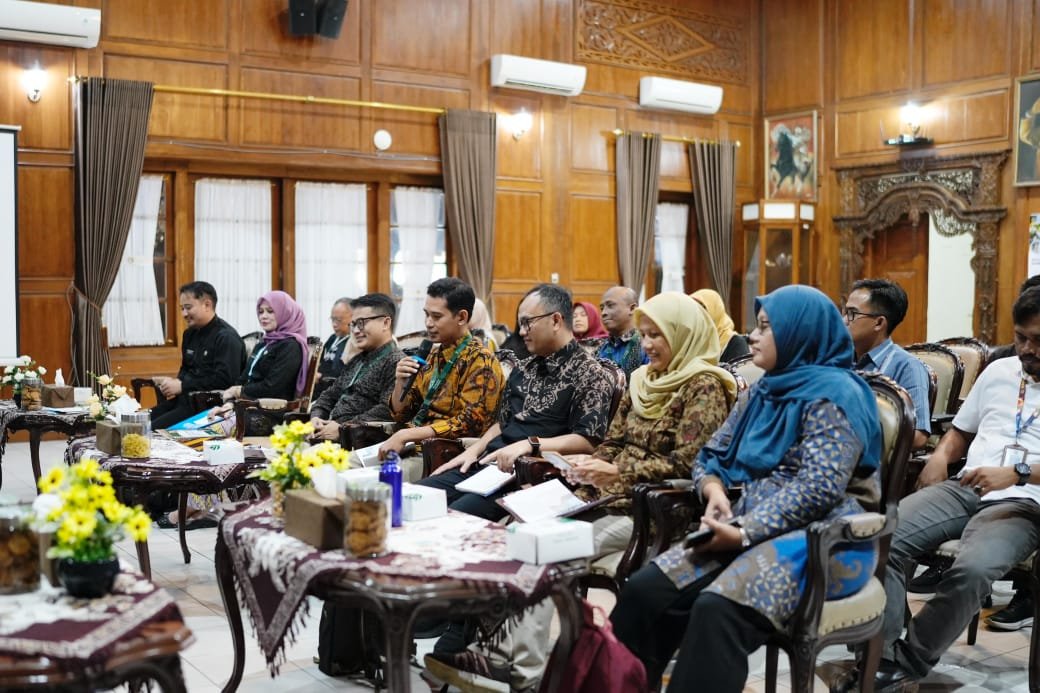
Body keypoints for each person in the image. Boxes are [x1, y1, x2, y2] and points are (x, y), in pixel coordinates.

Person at [423, 291, 737, 692]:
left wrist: (616, 471)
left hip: (647, 508)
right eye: (643, 335)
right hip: (601, 495)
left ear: (683, 333)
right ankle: (495, 651)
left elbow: (689, 464)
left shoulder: (704, 385)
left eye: (657, 335)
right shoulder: (644, 380)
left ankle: (522, 672)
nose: (646, 345)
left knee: (543, 548)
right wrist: (587, 468)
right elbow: (612, 442)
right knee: (514, 537)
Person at [610, 284, 882, 692]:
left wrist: (743, 532)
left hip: (825, 540)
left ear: (800, 333)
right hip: (748, 525)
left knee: (717, 609)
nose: (753, 337)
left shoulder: (837, 394)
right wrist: (714, 491)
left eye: (766, 327)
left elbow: (818, 489)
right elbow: (710, 454)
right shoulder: (764, 389)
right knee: (645, 592)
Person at [866, 286, 1040, 691]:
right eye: (1020, 337)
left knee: (973, 570)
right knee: (879, 537)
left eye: (1038, 340)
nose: (1027, 349)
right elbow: (960, 432)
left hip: (1023, 503)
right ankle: (880, 657)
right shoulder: (999, 371)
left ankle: (910, 659)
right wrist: (941, 457)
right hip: (968, 486)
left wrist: (1016, 473)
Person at [416, 283, 615, 522]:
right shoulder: (524, 367)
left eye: (527, 323)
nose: (521, 332)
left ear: (555, 320)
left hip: (532, 473)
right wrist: (473, 451)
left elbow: (588, 441)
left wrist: (530, 444)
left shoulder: (590, 373)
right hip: (489, 464)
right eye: (521, 323)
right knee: (415, 497)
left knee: (455, 517)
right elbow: (502, 423)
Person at [380, 277, 504, 481]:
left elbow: (469, 423)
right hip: (410, 445)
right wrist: (400, 383)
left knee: (371, 482)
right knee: (344, 466)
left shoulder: (481, 360)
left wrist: (406, 435)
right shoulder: (432, 355)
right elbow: (402, 414)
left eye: (436, 316)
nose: (428, 323)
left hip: (444, 453)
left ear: (462, 317)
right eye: (426, 314)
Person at [843, 278, 932, 449]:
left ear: (879, 323)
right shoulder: (840, 360)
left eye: (852, 313)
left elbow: (918, 436)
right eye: (845, 312)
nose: (844, 320)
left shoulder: (908, 367)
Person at [150, 281, 246, 429]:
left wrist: (183, 386)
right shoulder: (189, 334)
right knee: (140, 421)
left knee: (152, 430)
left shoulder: (226, 337)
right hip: (184, 401)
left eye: (188, 308)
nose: (184, 314)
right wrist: (174, 383)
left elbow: (225, 380)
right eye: (182, 308)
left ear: (207, 305)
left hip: (210, 407)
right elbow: (185, 369)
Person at [308, 293, 404, 441]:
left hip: (358, 441)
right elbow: (329, 395)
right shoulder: (357, 360)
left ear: (385, 323)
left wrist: (344, 429)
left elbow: (386, 411)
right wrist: (316, 417)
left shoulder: (397, 362)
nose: (356, 330)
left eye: (361, 323)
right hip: (328, 434)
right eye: (353, 324)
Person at [221, 290, 309, 403]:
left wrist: (238, 392)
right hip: (245, 404)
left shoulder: (291, 346)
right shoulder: (263, 343)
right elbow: (243, 379)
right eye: (261, 312)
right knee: (209, 413)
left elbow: (272, 388)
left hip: (270, 409)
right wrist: (230, 403)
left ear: (285, 313)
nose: (263, 316)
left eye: (270, 311)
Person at [596, 285, 649, 378]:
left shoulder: (647, 344)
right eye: (602, 308)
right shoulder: (601, 347)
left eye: (610, 306)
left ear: (632, 308)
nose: (603, 313)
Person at [311, 297, 357, 401]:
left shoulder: (355, 342)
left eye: (339, 320)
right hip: (320, 393)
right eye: (332, 319)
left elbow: (346, 375)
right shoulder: (333, 338)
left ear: (353, 318)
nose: (334, 324)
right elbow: (320, 362)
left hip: (337, 396)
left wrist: (321, 377)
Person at [691, 288, 750, 363]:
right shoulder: (691, 340)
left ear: (715, 312)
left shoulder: (735, 343)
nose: (697, 315)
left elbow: (741, 369)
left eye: (702, 308)